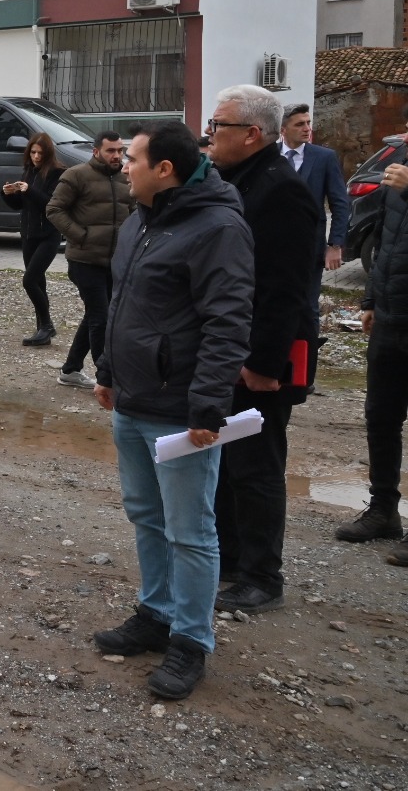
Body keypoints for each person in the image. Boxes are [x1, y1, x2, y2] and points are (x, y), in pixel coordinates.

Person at [93, 119, 254, 701]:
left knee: (191, 531)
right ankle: (156, 614)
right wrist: (108, 371)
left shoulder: (218, 227)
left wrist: (208, 406)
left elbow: (228, 322)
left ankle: (191, 640)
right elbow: (123, 305)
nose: (123, 164)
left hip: (181, 412)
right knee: (146, 515)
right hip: (132, 400)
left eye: (132, 158)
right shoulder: (141, 220)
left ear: (164, 169)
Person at [205, 85, 322, 615]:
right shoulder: (233, 180)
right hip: (228, 348)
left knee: (256, 465)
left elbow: (285, 288)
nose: (210, 135)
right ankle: (229, 560)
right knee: (226, 461)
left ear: (251, 134)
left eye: (218, 126)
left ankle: (261, 576)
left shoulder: (281, 190)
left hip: (261, 357)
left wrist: (263, 363)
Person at [336, 156, 408, 566]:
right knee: (381, 416)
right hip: (390, 316)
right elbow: (383, 238)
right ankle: (383, 510)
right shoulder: (396, 178)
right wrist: (369, 300)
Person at [46, 131, 133, 389]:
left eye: (120, 150)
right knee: (101, 318)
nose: (117, 155)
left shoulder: (126, 177)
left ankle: (71, 369)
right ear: (96, 151)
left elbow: (135, 209)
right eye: (111, 151)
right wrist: (80, 236)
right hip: (85, 260)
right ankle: (106, 378)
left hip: (115, 261)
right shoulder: (76, 175)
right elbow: (54, 209)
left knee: (96, 315)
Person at [279, 102, 350, 314]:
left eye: (308, 123)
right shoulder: (269, 156)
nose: (307, 129)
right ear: (283, 129)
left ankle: (309, 347)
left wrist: (335, 245)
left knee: (308, 307)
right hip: (274, 246)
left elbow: (340, 203)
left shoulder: (324, 157)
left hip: (311, 245)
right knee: (276, 304)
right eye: (300, 124)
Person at [1, 132, 66, 347]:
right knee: (39, 282)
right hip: (29, 235)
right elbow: (21, 205)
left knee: (29, 280)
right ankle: (42, 329)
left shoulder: (57, 173)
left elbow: (49, 204)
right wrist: (8, 194)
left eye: (40, 153)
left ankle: (47, 325)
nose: (36, 157)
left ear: (48, 154)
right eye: (33, 152)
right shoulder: (29, 171)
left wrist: (29, 191)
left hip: (48, 235)